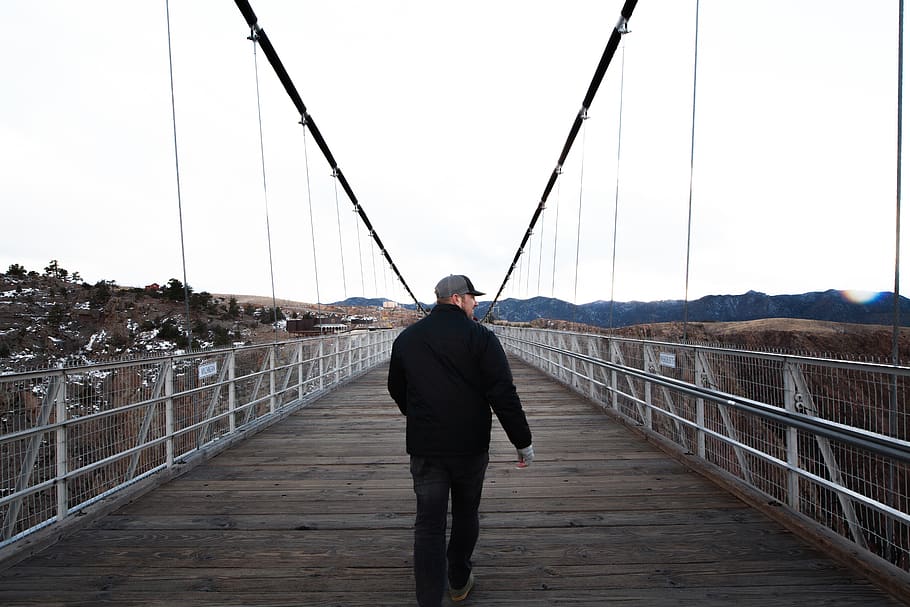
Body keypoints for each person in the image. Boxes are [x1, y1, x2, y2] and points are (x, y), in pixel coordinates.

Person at [387, 274, 534, 606]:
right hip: (470, 447)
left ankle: (428, 599)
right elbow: (503, 393)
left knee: (428, 524)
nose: (477, 302)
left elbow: (396, 387)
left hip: (426, 448)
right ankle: (458, 581)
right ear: (456, 299)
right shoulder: (482, 338)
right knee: (467, 513)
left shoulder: (408, 339)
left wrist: (418, 414)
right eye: (472, 297)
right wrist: (522, 441)